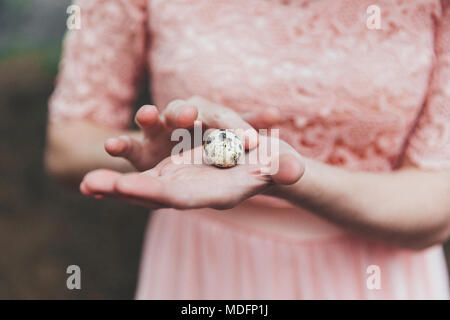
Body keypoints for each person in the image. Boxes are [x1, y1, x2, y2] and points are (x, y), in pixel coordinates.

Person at [46, 0, 450, 299]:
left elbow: (436, 206)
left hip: (378, 276)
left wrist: (289, 175)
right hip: (202, 271)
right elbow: (67, 145)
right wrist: (158, 153)